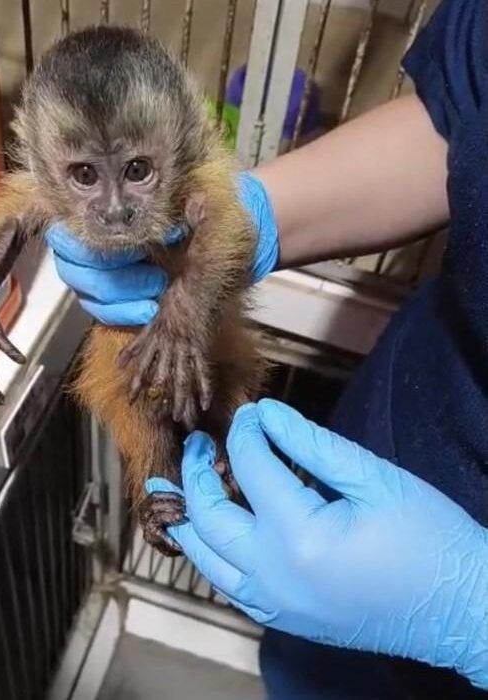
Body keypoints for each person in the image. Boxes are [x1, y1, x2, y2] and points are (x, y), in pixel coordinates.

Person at [45, 0, 488, 696]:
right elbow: (455, 119)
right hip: (396, 426)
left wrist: (473, 613)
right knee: (301, 665)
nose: (114, 207)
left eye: (134, 172)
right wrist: (257, 220)